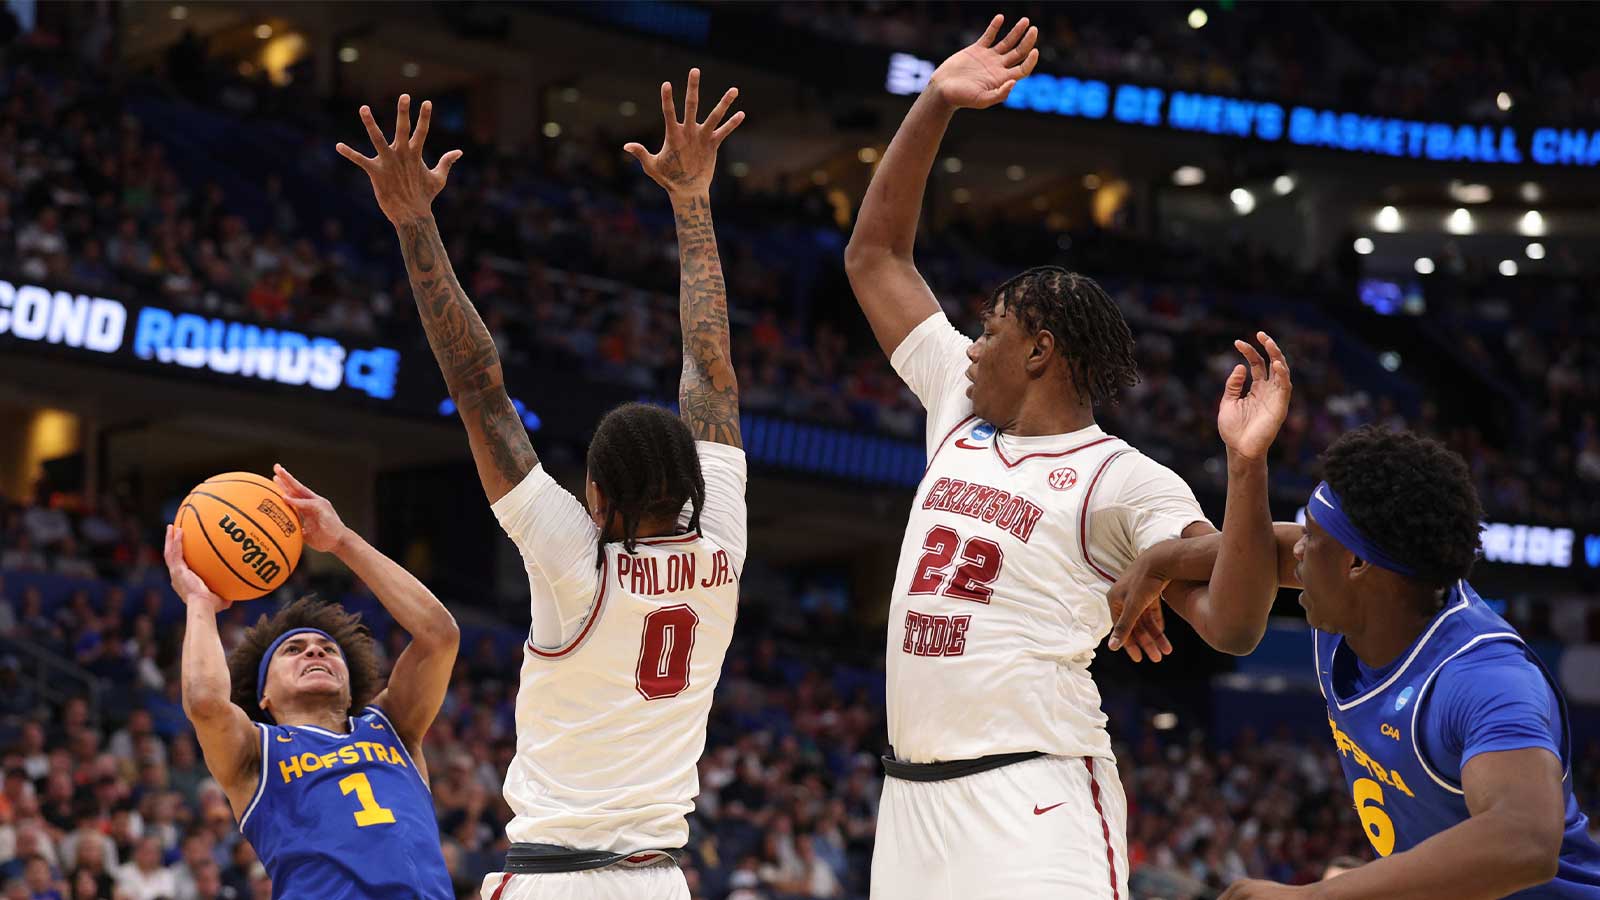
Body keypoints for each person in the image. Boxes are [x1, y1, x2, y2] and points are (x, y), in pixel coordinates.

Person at [841, 13, 1290, 900]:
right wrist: (934, 101)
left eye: (992, 330)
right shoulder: (957, 408)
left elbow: (1237, 624)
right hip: (908, 802)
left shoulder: (1121, 478)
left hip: (1033, 796)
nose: (969, 345)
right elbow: (876, 254)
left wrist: (1236, 476)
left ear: (1040, 349)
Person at [337, 74, 747, 900]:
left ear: (596, 497)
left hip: (557, 878)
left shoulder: (574, 561)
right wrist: (693, 200)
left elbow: (479, 387)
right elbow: (711, 370)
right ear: (690, 485)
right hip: (661, 880)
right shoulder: (725, 541)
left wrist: (415, 224)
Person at [1113, 427, 1600, 899]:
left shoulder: (1485, 679)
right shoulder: (1355, 607)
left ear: (1357, 564)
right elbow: (1263, 548)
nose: (1298, 550)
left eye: (1314, 537)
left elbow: (1526, 843)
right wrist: (1160, 561)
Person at [165, 465, 457, 899]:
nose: (314, 652)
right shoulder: (255, 753)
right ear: (264, 695)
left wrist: (342, 541)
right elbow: (206, 701)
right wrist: (201, 602)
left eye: (325, 648)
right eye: (293, 650)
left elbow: (440, 636)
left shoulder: (391, 727)